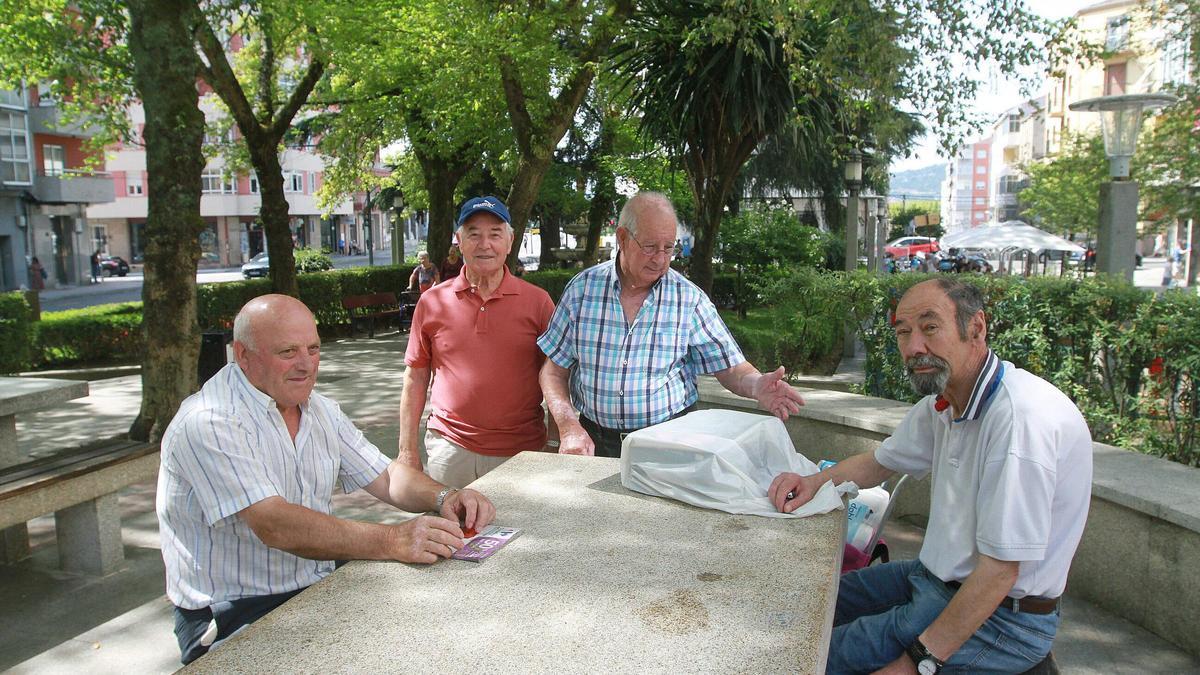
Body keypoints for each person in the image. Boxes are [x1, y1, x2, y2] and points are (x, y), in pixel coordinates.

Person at [768, 278, 1092, 674]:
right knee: (797, 600)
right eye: (903, 332)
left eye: (930, 327)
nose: (914, 346)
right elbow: (879, 462)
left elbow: (999, 571)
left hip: (1004, 618)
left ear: (976, 328)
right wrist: (812, 482)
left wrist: (915, 663)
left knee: (809, 660)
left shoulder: (1019, 421)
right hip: (933, 577)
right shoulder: (946, 402)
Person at [156, 294, 495, 665]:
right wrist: (393, 538)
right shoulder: (209, 421)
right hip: (233, 611)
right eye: (288, 352)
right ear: (243, 354)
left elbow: (384, 475)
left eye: (314, 349)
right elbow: (275, 525)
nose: (306, 365)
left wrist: (445, 496)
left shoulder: (318, 409)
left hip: (312, 584)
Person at [538, 191, 806, 458]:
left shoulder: (688, 298)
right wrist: (568, 424)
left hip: (668, 442)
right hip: (596, 443)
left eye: (669, 248)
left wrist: (757, 385)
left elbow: (732, 368)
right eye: (650, 247)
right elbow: (553, 372)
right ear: (622, 238)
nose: (660, 259)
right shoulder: (582, 291)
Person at [399, 196, 555, 488]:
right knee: (449, 532)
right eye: (474, 234)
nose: (485, 244)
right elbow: (416, 376)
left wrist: (557, 442)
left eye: (495, 234)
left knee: (524, 534)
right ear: (459, 241)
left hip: (522, 453)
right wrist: (407, 451)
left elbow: (558, 375)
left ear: (509, 242)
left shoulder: (538, 303)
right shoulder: (432, 302)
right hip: (450, 450)